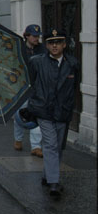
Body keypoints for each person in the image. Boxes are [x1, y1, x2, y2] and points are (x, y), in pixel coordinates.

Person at [27, 30, 79, 198]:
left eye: (58, 42)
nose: (54, 46)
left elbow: (74, 86)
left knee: (58, 146)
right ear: (46, 45)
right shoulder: (37, 62)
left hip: (63, 111)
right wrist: (37, 102)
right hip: (44, 110)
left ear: (64, 44)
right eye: (51, 42)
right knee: (50, 144)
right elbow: (31, 82)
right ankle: (54, 183)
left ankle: (47, 175)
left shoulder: (72, 63)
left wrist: (68, 104)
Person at [13, 24, 46, 157]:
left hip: (37, 86)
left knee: (36, 115)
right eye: (34, 36)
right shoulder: (19, 48)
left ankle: (36, 146)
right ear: (27, 36)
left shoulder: (42, 49)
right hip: (22, 86)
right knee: (20, 114)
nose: (36, 38)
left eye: (38, 36)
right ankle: (18, 139)